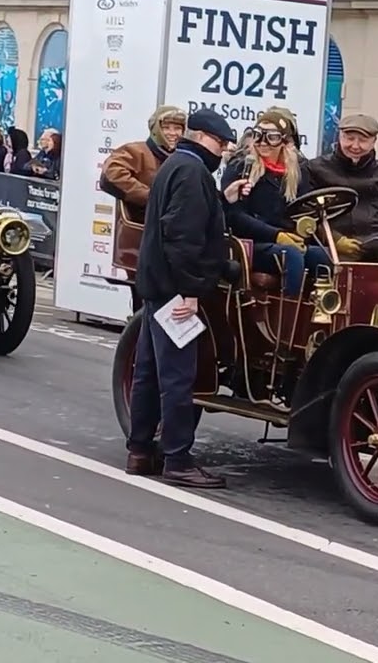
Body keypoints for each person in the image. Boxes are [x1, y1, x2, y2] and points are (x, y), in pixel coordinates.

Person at [126, 108, 238, 489]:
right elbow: (183, 237)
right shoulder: (192, 173)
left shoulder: (175, 165)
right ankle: (178, 458)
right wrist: (190, 290)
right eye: (220, 143)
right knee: (178, 377)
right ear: (203, 137)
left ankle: (140, 451)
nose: (222, 152)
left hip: (157, 284)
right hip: (174, 288)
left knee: (148, 372)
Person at [222, 108, 347, 297]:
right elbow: (235, 216)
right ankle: (287, 318)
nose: (262, 142)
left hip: (286, 238)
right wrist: (277, 235)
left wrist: (306, 230)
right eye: (258, 135)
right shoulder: (241, 166)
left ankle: (320, 311)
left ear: (285, 141)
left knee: (324, 256)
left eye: (271, 137)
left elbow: (305, 208)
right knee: (292, 256)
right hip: (249, 243)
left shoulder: (297, 171)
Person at [305, 114, 378, 261]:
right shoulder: (315, 168)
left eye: (363, 140)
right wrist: (336, 240)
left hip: (377, 253)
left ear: (374, 142)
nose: (355, 146)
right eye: (349, 138)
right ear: (339, 137)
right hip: (330, 251)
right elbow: (306, 216)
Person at [100, 105, 186, 220]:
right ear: (155, 129)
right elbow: (111, 173)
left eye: (177, 128)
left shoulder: (184, 160)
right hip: (139, 229)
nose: (172, 133)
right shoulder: (136, 151)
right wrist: (151, 198)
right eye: (166, 128)